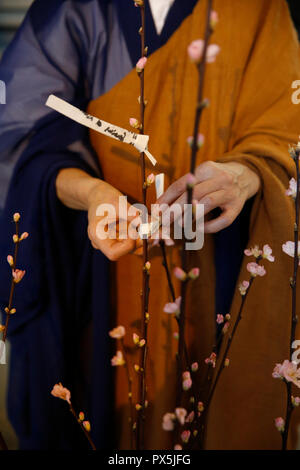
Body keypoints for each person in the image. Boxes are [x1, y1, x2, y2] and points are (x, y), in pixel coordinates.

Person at [0, 0, 299, 450]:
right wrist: (94, 194)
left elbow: (285, 126)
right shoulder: (73, 9)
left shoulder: (257, 7)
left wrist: (245, 174)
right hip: (99, 268)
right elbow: (26, 134)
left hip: (224, 257)